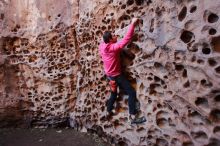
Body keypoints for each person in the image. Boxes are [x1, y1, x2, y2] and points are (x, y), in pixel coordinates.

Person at [99, 18, 146, 124]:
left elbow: (105, 40)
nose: (115, 36)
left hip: (110, 77)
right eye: (113, 36)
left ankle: (108, 111)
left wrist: (112, 38)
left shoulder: (102, 46)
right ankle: (133, 117)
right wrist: (133, 24)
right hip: (117, 76)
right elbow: (126, 39)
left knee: (114, 94)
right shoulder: (113, 48)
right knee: (132, 93)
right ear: (110, 40)